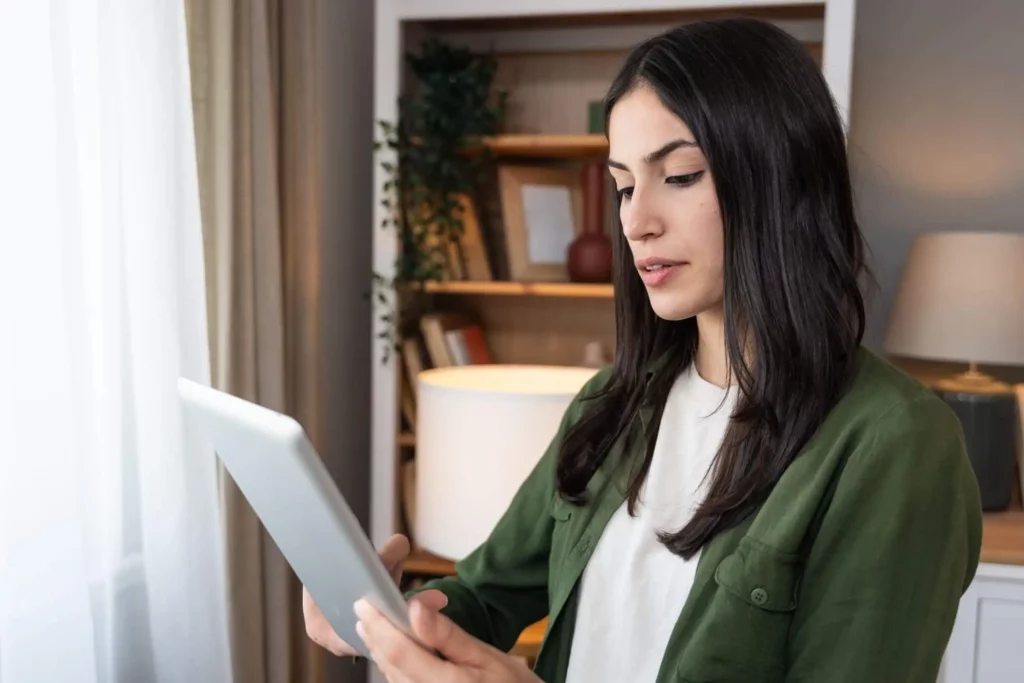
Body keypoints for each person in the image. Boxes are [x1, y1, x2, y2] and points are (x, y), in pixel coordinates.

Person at [304, 17, 983, 683]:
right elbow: (485, 595)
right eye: (624, 185)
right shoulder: (613, 404)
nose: (636, 220)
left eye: (680, 175)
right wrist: (386, 615)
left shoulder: (895, 445)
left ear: (781, 177)